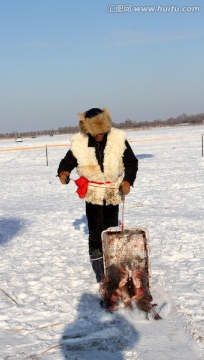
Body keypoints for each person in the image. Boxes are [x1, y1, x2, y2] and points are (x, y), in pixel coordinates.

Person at [57, 107, 138, 282]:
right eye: (95, 132)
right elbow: (67, 161)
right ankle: (101, 274)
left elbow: (132, 162)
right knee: (96, 232)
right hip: (93, 192)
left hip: (113, 191)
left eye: (102, 131)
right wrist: (63, 172)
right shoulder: (79, 142)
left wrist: (127, 181)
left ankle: (115, 267)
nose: (99, 135)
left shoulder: (118, 139)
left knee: (111, 230)